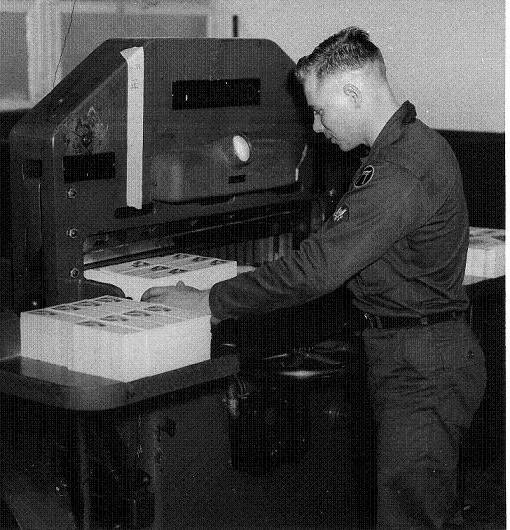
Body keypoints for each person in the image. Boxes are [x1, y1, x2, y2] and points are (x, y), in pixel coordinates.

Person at [142, 27, 487, 528]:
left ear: (354, 92)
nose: (318, 127)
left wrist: (208, 301)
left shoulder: (402, 168)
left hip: (420, 369)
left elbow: (317, 269)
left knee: (410, 518)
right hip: (413, 355)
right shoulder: (404, 150)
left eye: (321, 111)